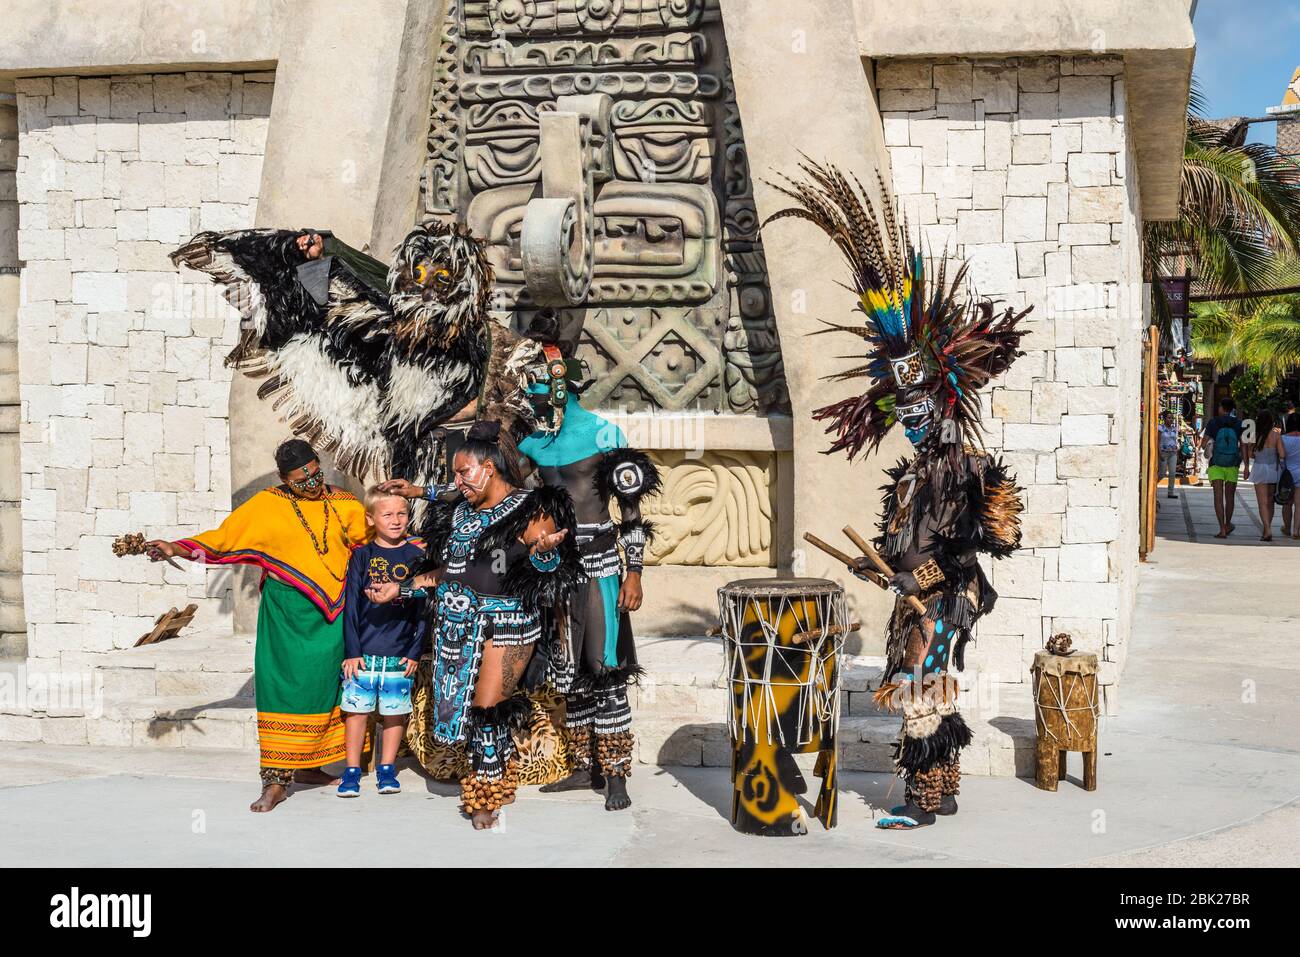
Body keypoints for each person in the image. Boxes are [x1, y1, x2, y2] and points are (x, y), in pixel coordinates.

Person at [766, 160, 1027, 830]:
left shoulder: (966, 467)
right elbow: (900, 542)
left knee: (919, 687)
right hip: (917, 595)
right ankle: (944, 783)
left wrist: (926, 577)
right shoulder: (912, 474)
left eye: (919, 407)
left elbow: (983, 545)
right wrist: (879, 563)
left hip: (944, 599)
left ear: (944, 400)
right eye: (901, 409)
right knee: (928, 687)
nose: (911, 419)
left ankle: (920, 802)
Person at [144, 439, 369, 812]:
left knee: (325, 687)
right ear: (285, 479)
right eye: (302, 479)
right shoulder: (267, 505)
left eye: (315, 472)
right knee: (283, 688)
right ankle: (275, 781)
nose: (312, 482)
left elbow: (368, 544)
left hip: (334, 612)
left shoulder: (345, 502)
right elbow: (222, 541)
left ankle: (309, 765)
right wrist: (175, 547)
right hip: (287, 613)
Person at [375, 421, 580, 829]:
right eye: (454, 474)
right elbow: (447, 573)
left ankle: (486, 794)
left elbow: (554, 574)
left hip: (506, 625)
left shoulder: (531, 508)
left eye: (463, 472)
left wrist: (542, 555)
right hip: (456, 625)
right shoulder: (461, 513)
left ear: (489, 468)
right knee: (465, 710)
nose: (457, 482)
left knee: (488, 709)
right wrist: (400, 588)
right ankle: (490, 780)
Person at [516, 382, 661, 812]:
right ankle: (584, 765)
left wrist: (633, 572)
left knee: (603, 665)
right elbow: (508, 496)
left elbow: (631, 514)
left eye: (540, 393)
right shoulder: (533, 442)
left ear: (562, 390)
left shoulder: (604, 434)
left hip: (600, 564)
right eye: (531, 394)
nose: (533, 401)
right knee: (569, 668)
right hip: (556, 568)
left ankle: (615, 772)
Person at [337, 487, 429, 797]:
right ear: (371, 518)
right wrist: (352, 651)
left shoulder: (417, 557)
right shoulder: (362, 556)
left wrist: (415, 651)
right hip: (363, 654)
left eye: (401, 513)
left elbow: (423, 610)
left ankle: (387, 769)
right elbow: (350, 605)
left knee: (394, 712)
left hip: (399, 653)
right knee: (357, 712)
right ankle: (351, 771)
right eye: (387, 514)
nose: (395, 520)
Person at [1201, 398, 1245, 539]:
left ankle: (1222, 529)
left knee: (1218, 497)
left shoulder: (1213, 422)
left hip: (1216, 464)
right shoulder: (1239, 424)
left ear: (1221, 407)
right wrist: (1246, 464)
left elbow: (1203, 444)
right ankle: (1227, 524)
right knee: (1230, 497)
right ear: (1232, 408)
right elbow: (1243, 445)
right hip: (1232, 464)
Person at [1243, 411, 1283, 542]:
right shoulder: (1276, 434)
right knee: (1270, 501)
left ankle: (1267, 529)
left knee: (1262, 503)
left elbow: (1251, 455)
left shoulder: (1254, 434)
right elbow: (1282, 454)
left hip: (1259, 469)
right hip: (1273, 470)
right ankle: (1268, 528)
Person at [1281, 413, 1300, 540]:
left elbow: (1280, 456)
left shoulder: (1282, 438)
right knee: (1299, 505)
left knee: (1287, 503)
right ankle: (1296, 531)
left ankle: (1287, 528)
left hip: (1287, 474)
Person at [1157, 410, 1180, 499]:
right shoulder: (1160, 428)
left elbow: (1175, 441)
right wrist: (1159, 453)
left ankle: (1171, 492)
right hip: (1163, 452)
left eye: (1172, 418)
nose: (1171, 420)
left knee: (1172, 473)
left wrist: (1177, 452)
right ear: (1164, 418)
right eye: (1169, 418)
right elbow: (1158, 441)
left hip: (1173, 453)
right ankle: (1153, 485)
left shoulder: (1174, 428)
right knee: (1162, 473)